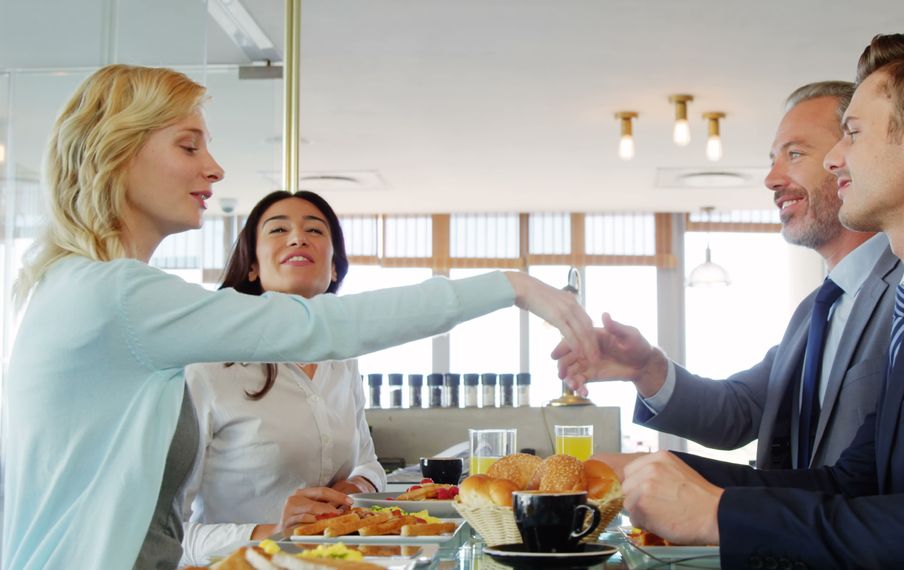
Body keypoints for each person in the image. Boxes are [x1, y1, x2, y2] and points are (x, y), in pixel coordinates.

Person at [0, 64, 595, 570]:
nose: (214, 169)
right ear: (117, 153)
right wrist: (511, 285)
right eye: (189, 145)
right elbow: (324, 326)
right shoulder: (115, 296)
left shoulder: (87, 289)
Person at [615, 34, 904, 569]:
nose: (837, 157)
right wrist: (643, 473)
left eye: (852, 133)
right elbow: (850, 485)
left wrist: (719, 514)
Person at [558, 81, 902, 471]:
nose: (771, 178)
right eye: (774, 158)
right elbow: (737, 411)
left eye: (794, 154)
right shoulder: (815, 311)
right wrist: (646, 368)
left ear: (851, 157)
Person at [178, 190, 387, 565]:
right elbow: (169, 535)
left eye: (315, 230)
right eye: (278, 229)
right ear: (253, 266)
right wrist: (273, 529)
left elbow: (370, 465)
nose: (297, 237)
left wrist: (353, 488)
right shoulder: (207, 367)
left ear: (335, 267)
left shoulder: (342, 360)